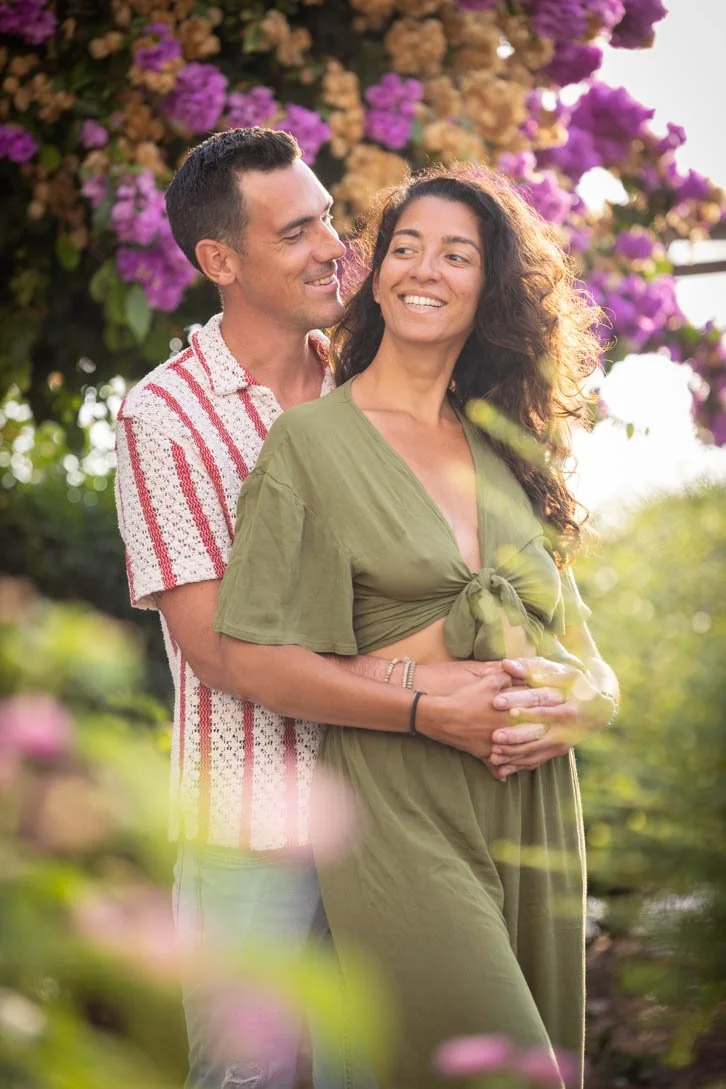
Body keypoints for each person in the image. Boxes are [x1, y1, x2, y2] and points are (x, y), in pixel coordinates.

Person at [114, 130, 593, 1089]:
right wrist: (428, 693)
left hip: (397, 811)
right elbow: (226, 654)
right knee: (248, 1079)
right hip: (259, 827)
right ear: (221, 260)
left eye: (330, 215)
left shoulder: (374, 373)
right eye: (297, 231)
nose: (337, 243)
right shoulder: (166, 417)